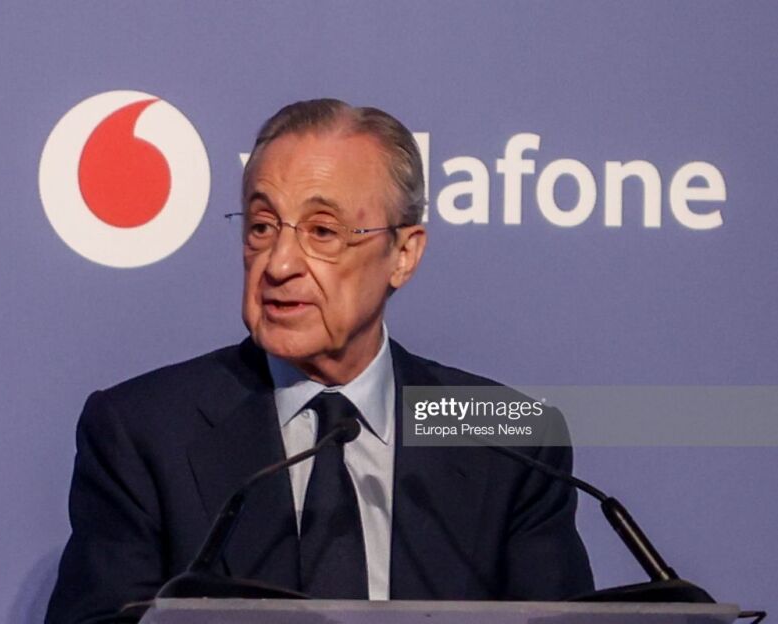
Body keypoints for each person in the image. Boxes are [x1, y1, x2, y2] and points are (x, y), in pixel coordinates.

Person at [46, 99, 593, 623]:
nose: (279, 264)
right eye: (262, 227)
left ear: (403, 254)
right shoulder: (144, 431)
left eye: (323, 232)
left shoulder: (506, 437)